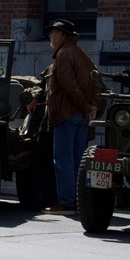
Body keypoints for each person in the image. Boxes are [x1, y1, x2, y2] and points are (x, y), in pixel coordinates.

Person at [42, 19, 99, 215]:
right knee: (76, 160)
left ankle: (66, 202)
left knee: (63, 159)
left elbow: (69, 85)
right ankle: (77, 201)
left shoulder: (64, 55)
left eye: (53, 33)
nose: (50, 36)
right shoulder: (82, 55)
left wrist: (86, 106)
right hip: (80, 116)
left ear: (62, 35)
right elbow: (96, 83)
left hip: (67, 115)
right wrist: (92, 106)